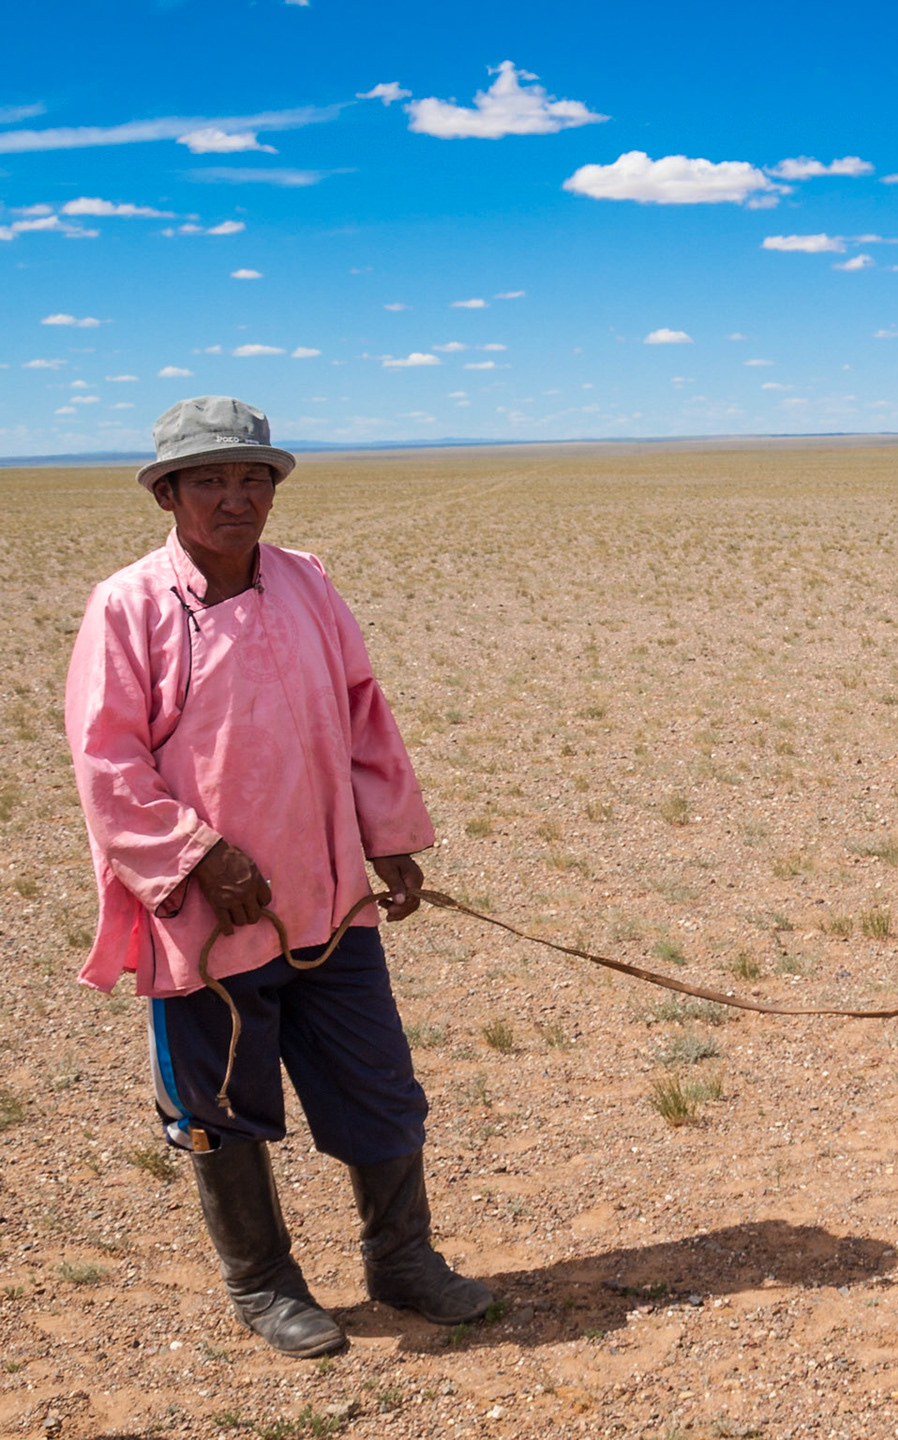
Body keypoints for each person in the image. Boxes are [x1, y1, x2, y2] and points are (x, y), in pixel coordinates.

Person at [64, 396, 490, 1358]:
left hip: (329, 898)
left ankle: (404, 1260)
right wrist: (198, 853)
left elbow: (362, 714)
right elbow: (106, 762)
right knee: (219, 1098)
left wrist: (389, 836)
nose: (236, 496)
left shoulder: (307, 582)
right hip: (208, 918)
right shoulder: (128, 605)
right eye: (209, 479)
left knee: (376, 1081)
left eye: (253, 477)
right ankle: (262, 1282)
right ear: (167, 493)